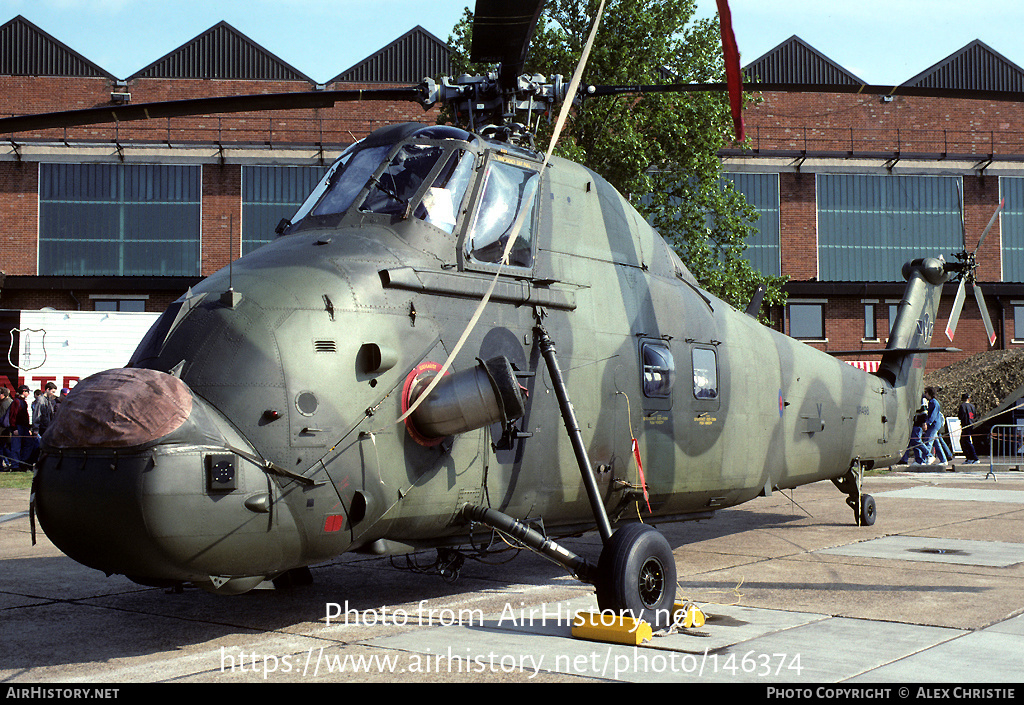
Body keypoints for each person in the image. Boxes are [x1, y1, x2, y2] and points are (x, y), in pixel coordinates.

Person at [8, 384, 35, 468]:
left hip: (24, 427)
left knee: (29, 444)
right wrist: (14, 428)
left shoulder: (22, 401)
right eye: (27, 392)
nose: (28, 394)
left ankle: (22, 462)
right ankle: (15, 465)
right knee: (16, 446)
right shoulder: (16, 401)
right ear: (24, 392)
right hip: (18, 426)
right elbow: (13, 415)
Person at [921, 387, 943, 464]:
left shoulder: (933, 402)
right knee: (937, 443)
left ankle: (924, 459)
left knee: (928, 442)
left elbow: (932, 415)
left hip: (933, 425)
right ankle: (943, 459)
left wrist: (927, 423)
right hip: (935, 424)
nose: (925, 394)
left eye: (926, 392)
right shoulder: (932, 402)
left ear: (929, 393)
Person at [958, 393, 980, 463]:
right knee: (965, 441)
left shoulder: (962, 406)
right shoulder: (972, 406)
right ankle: (969, 458)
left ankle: (974, 457)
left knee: (965, 441)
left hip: (966, 425)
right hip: (971, 424)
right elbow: (975, 415)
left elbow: (961, 416)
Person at [0, 387, 12, 471]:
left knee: (1, 448)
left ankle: (2, 465)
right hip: (8, 430)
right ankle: (9, 462)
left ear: (3, 394)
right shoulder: (11, 401)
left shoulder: (3, 404)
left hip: (2, 430)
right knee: (4, 448)